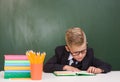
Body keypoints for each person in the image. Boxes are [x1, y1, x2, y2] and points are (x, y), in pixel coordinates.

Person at [43, 27, 111, 74]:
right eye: (76, 52)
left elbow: (107, 66)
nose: (81, 55)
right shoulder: (60, 52)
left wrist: (98, 70)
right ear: (68, 49)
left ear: (86, 45)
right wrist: (66, 67)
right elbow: (46, 67)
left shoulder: (89, 54)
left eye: (83, 50)